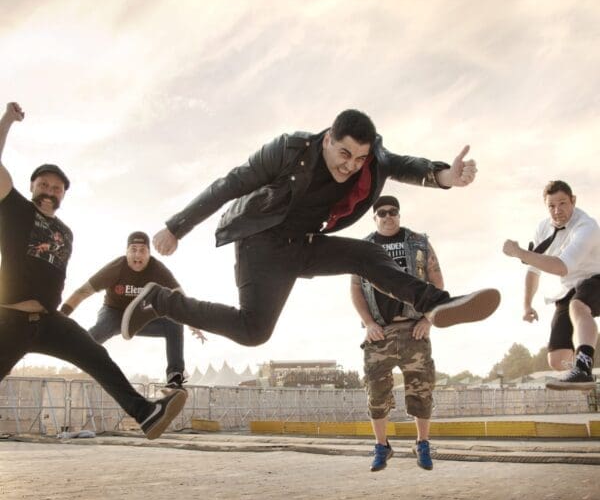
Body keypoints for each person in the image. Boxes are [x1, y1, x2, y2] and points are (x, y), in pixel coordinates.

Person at [121, 109, 500, 353]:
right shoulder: (288, 150)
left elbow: (406, 166)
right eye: (344, 154)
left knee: (366, 254)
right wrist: (176, 227)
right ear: (328, 139)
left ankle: (435, 303)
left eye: (359, 159)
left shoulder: (374, 161)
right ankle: (161, 300)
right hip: (261, 241)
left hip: (304, 244)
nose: (350, 166)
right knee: (253, 332)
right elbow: (230, 184)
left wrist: (446, 176)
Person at [0, 101, 186, 439]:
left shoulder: (66, 233)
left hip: (49, 322)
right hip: (9, 319)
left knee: (96, 354)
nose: (50, 191)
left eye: (56, 188)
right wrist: (7, 120)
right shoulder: (15, 210)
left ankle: (146, 413)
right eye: (43, 185)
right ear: (32, 187)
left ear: (63, 195)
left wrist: (65, 312)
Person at [351, 196, 443, 471]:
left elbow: (436, 281)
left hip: (414, 330)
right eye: (382, 213)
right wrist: (368, 323)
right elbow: (355, 288)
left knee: (422, 390)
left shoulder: (419, 242)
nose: (388, 216)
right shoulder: (363, 248)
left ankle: (422, 443)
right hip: (380, 333)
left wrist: (428, 319)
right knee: (376, 394)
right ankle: (382, 446)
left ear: (399, 215)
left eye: (393, 212)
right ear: (375, 218)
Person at [60, 231, 205, 389]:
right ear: (126, 252)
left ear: (149, 254)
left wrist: (192, 321)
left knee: (175, 322)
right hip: (115, 313)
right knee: (101, 330)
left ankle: (175, 376)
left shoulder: (157, 269)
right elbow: (82, 292)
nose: (138, 255)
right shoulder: (116, 268)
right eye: (133, 250)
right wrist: (60, 316)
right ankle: (75, 348)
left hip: (142, 316)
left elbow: (178, 295)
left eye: (142, 250)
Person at [503, 180, 600, 390]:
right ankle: (584, 377)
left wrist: (519, 253)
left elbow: (561, 267)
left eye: (563, 203)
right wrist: (527, 305)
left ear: (573, 200)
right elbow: (534, 269)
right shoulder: (543, 228)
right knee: (557, 359)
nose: (557, 211)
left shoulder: (586, 226)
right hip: (569, 289)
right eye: (552, 206)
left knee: (578, 305)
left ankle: (583, 367)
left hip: (596, 278)